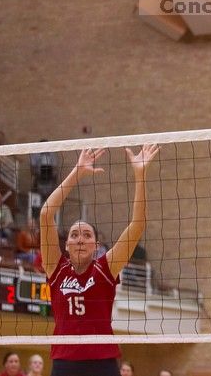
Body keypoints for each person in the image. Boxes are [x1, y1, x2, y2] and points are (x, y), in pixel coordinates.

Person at [39, 145, 159, 376]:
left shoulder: (105, 268)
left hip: (102, 362)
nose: (80, 240)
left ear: (96, 245)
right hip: (65, 362)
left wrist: (140, 176)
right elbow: (46, 214)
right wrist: (77, 172)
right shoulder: (56, 268)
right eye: (74, 235)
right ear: (66, 244)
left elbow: (137, 226)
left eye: (87, 235)